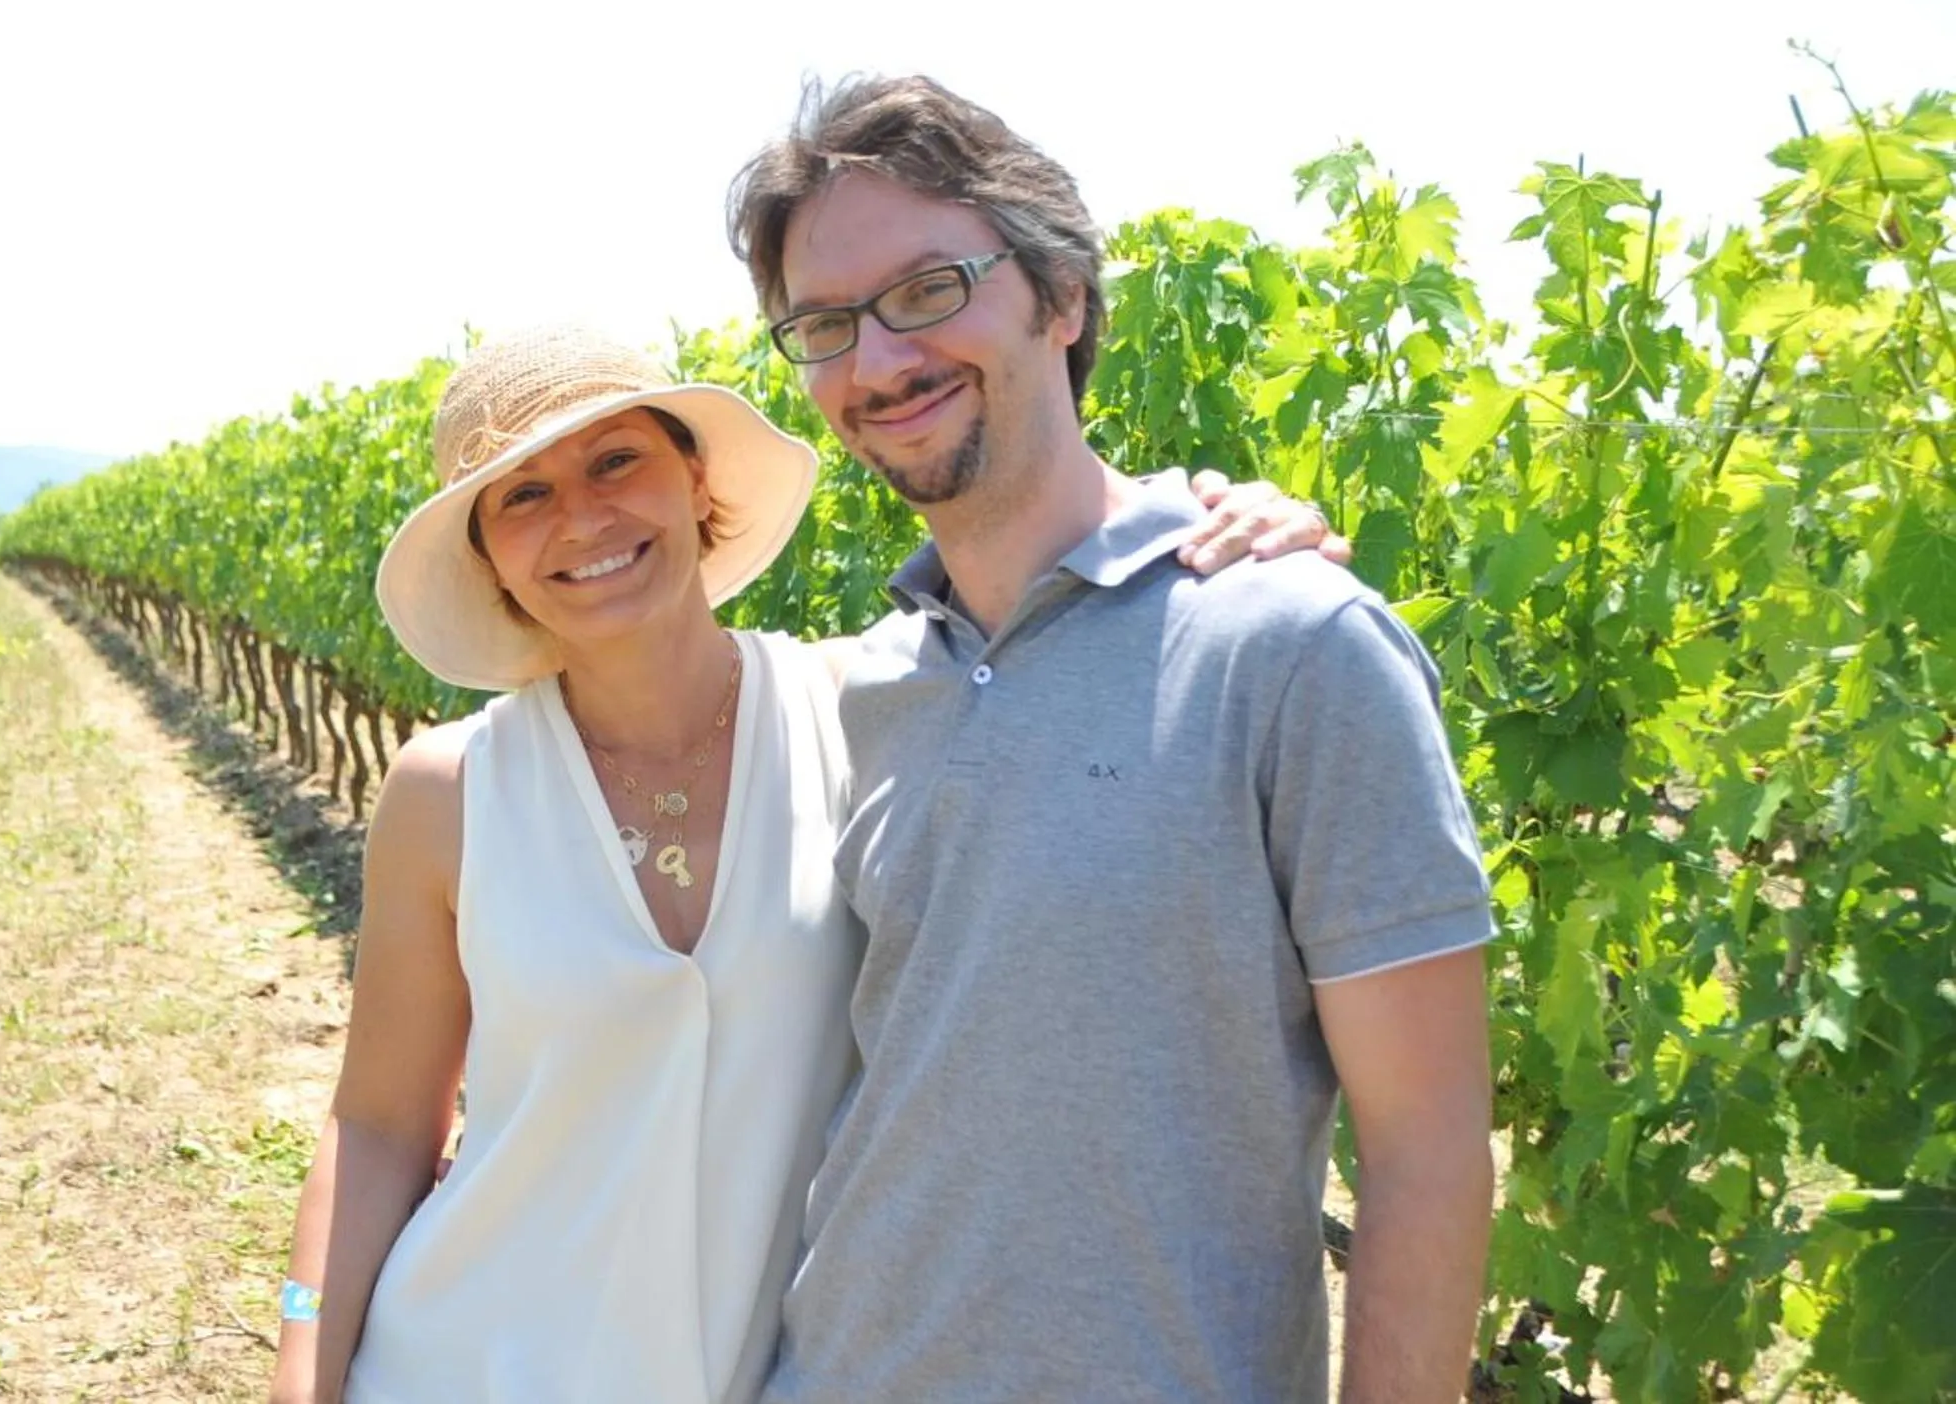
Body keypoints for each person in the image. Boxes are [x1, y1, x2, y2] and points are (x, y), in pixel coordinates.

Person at [267, 326, 1341, 1404]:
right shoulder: (448, 791)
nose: (582, 518)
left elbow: (1087, 644)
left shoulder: (870, 712)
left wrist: (1224, 538)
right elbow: (377, 1127)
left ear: (694, 479)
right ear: (489, 556)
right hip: (457, 1371)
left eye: (615, 461)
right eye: (522, 497)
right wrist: (300, 1366)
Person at [727, 75, 1497, 1404]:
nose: (877, 362)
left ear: (1061, 296)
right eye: (824, 325)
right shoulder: (867, 685)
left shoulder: (1293, 645)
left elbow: (1427, 1149)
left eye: (926, 290)